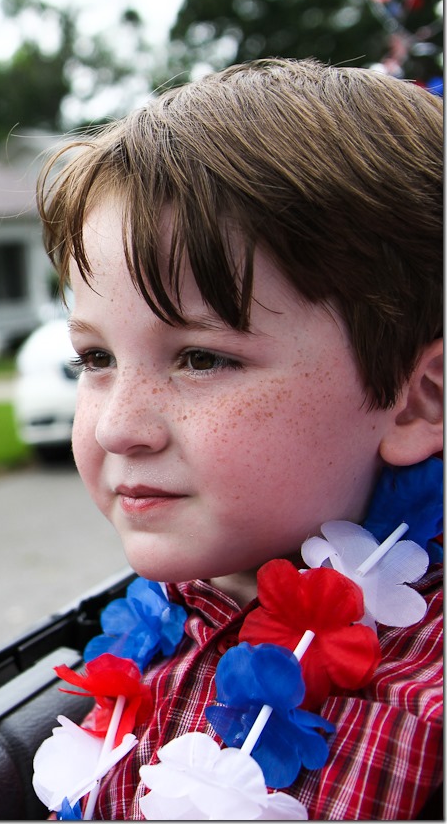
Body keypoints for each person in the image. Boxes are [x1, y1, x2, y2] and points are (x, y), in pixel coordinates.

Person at [33, 58, 443, 819]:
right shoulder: (178, 608)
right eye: (95, 358)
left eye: (201, 357)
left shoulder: (411, 708)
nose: (118, 424)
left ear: (419, 401)